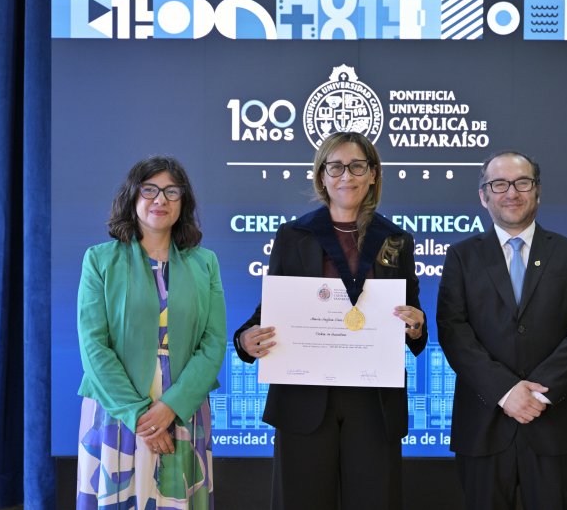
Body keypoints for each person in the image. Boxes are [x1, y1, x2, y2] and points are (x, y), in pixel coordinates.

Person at [234, 131, 427, 509]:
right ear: (321, 175)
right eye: (335, 167)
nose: (346, 176)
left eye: (357, 166)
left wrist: (416, 326)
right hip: (304, 399)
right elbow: (269, 312)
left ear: (373, 174)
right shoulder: (293, 236)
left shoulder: (396, 240)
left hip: (373, 402)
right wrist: (245, 339)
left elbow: (413, 324)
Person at [437, 150, 567, 510]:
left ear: (537, 191)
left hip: (555, 423)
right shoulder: (461, 257)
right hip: (483, 423)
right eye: (499, 184)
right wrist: (505, 391)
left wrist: (536, 394)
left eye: (522, 183)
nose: (511, 192)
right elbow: (453, 332)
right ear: (484, 196)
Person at [76, 156, 227, 509]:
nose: (160, 199)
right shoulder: (99, 260)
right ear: (132, 197)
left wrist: (171, 407)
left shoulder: (205, 263)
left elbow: (213, 342)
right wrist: (140, 415)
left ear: (183, 202)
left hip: (183, 407)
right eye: (150, 190)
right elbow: (93, 345)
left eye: (172, 192)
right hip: (117, 407)